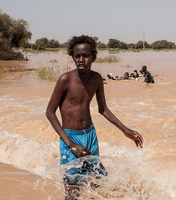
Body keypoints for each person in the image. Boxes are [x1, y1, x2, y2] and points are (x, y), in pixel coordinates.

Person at [46, 35, 143, 200]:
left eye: (86, 55)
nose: (81, 59)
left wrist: (126, 130)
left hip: (90, 135)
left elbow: (103, 109)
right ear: (73, 57)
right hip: (70, 137)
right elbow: (49, 112)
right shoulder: (66, 79)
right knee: (72, 188)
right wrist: (71, 144)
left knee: (96, 181)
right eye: (77, 56)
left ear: (93, 57)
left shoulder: (97, 79)